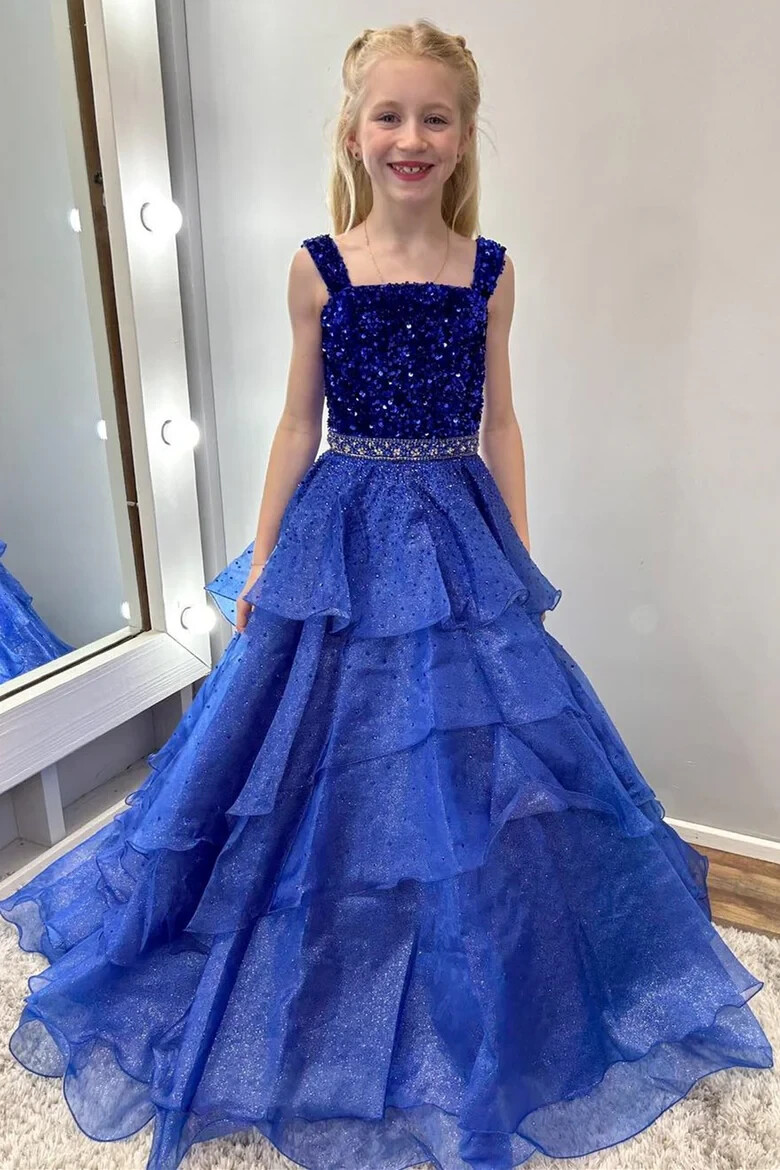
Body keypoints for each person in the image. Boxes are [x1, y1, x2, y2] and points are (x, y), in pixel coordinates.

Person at [0, 19, 773, 1170]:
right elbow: (294, 422)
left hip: (457, 528)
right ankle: (325, 949)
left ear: (464, 137)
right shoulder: (319, 266)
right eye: (390, 115)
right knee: (313, 749)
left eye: (435, 118)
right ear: (353, 132)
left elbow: (503, 421)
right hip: (345, 528)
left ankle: (463, 948)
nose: (412, 137)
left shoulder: (490, 271)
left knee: (472, 747)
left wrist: (516, 551)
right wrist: (269, 557)